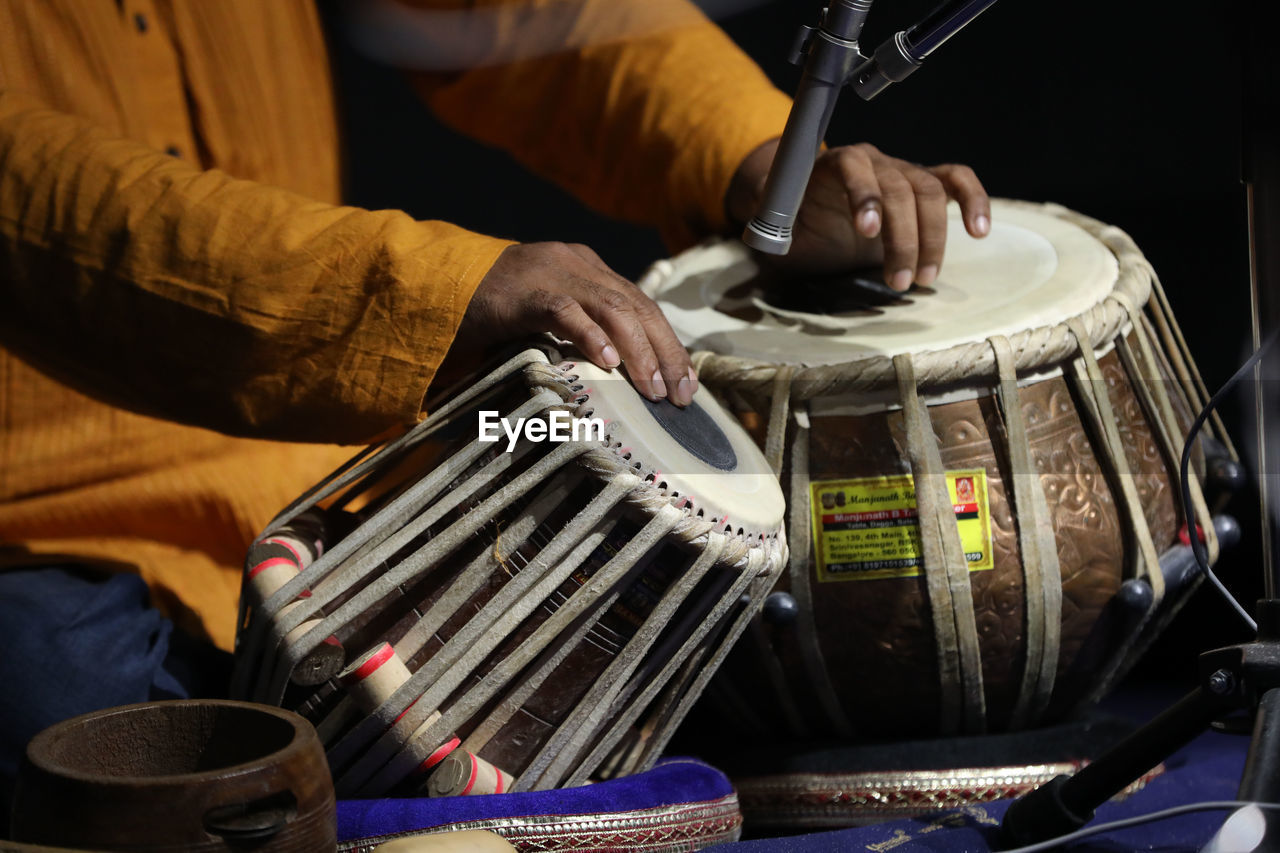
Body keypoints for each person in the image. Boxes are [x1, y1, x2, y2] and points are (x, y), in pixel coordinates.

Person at [0, 0, 989, 816]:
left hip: (343, 487)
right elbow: (35, 201)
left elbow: (522, 19)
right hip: (40, 529)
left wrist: (758, 163)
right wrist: (435, 292)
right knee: (87, 737)